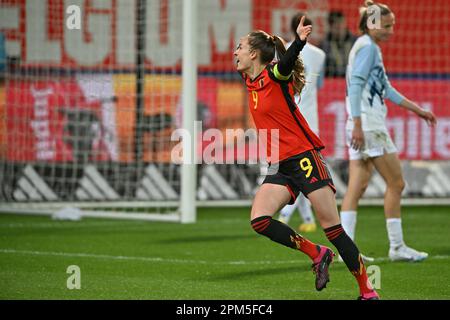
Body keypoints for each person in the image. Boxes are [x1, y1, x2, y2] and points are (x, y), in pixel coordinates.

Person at [234, 15, 379, 299]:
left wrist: (298, 42)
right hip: (280, 164)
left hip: (304, 158)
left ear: (253, 54)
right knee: (260, 220)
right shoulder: (248, 78)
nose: (235, 52)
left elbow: (284, 65)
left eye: (240, 47)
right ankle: (317, 253)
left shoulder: (274, 75)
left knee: (333, 229)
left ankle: (368, 290)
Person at [341, 1, 437, 262]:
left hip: (360, 123)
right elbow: (357, 86)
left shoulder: (365, 46)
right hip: (369, 125)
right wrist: (359, 124)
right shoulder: (369, 49)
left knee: (356, 186)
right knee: (397, 183)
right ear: (372, 24)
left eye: (392, 25)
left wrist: (417, 110)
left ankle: (346, 251)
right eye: (387, 25)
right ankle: (397, 247)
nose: (392, 31)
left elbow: (386, 89)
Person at [278, 13, 326, 233]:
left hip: (288, 121)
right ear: (310, 28)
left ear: (290, 27)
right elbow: (321, 85)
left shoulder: (281, 51)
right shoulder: (320, 55)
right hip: (310, 122)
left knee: (294, 170)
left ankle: (284, 215)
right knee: (305, 170)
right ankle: (308, 219)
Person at [320, 11, 356, 77]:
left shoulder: (355, 42)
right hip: (333, 81)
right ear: (330, 27)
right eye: (337, 27)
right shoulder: (324, 45)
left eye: (342, 24)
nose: (340, 29)